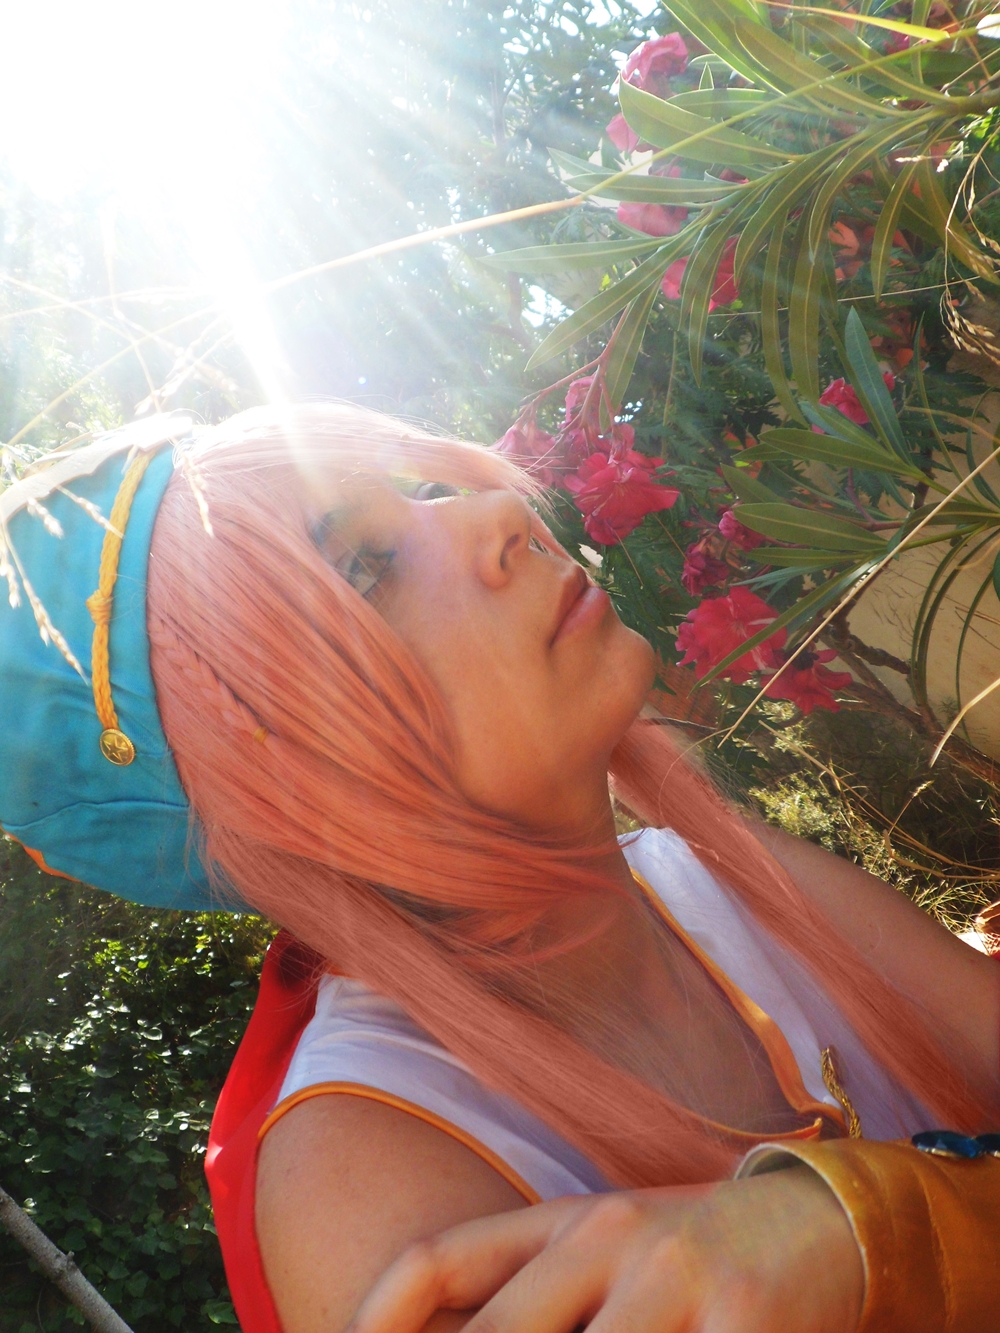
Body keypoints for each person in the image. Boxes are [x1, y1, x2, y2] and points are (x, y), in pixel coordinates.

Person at [0, 405, 997, 1333]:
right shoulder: (369, 1176)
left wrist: (880, 1236)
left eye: (423, 495)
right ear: (279, 792)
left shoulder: (723, 878)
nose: (499, 514)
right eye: (364, 568)